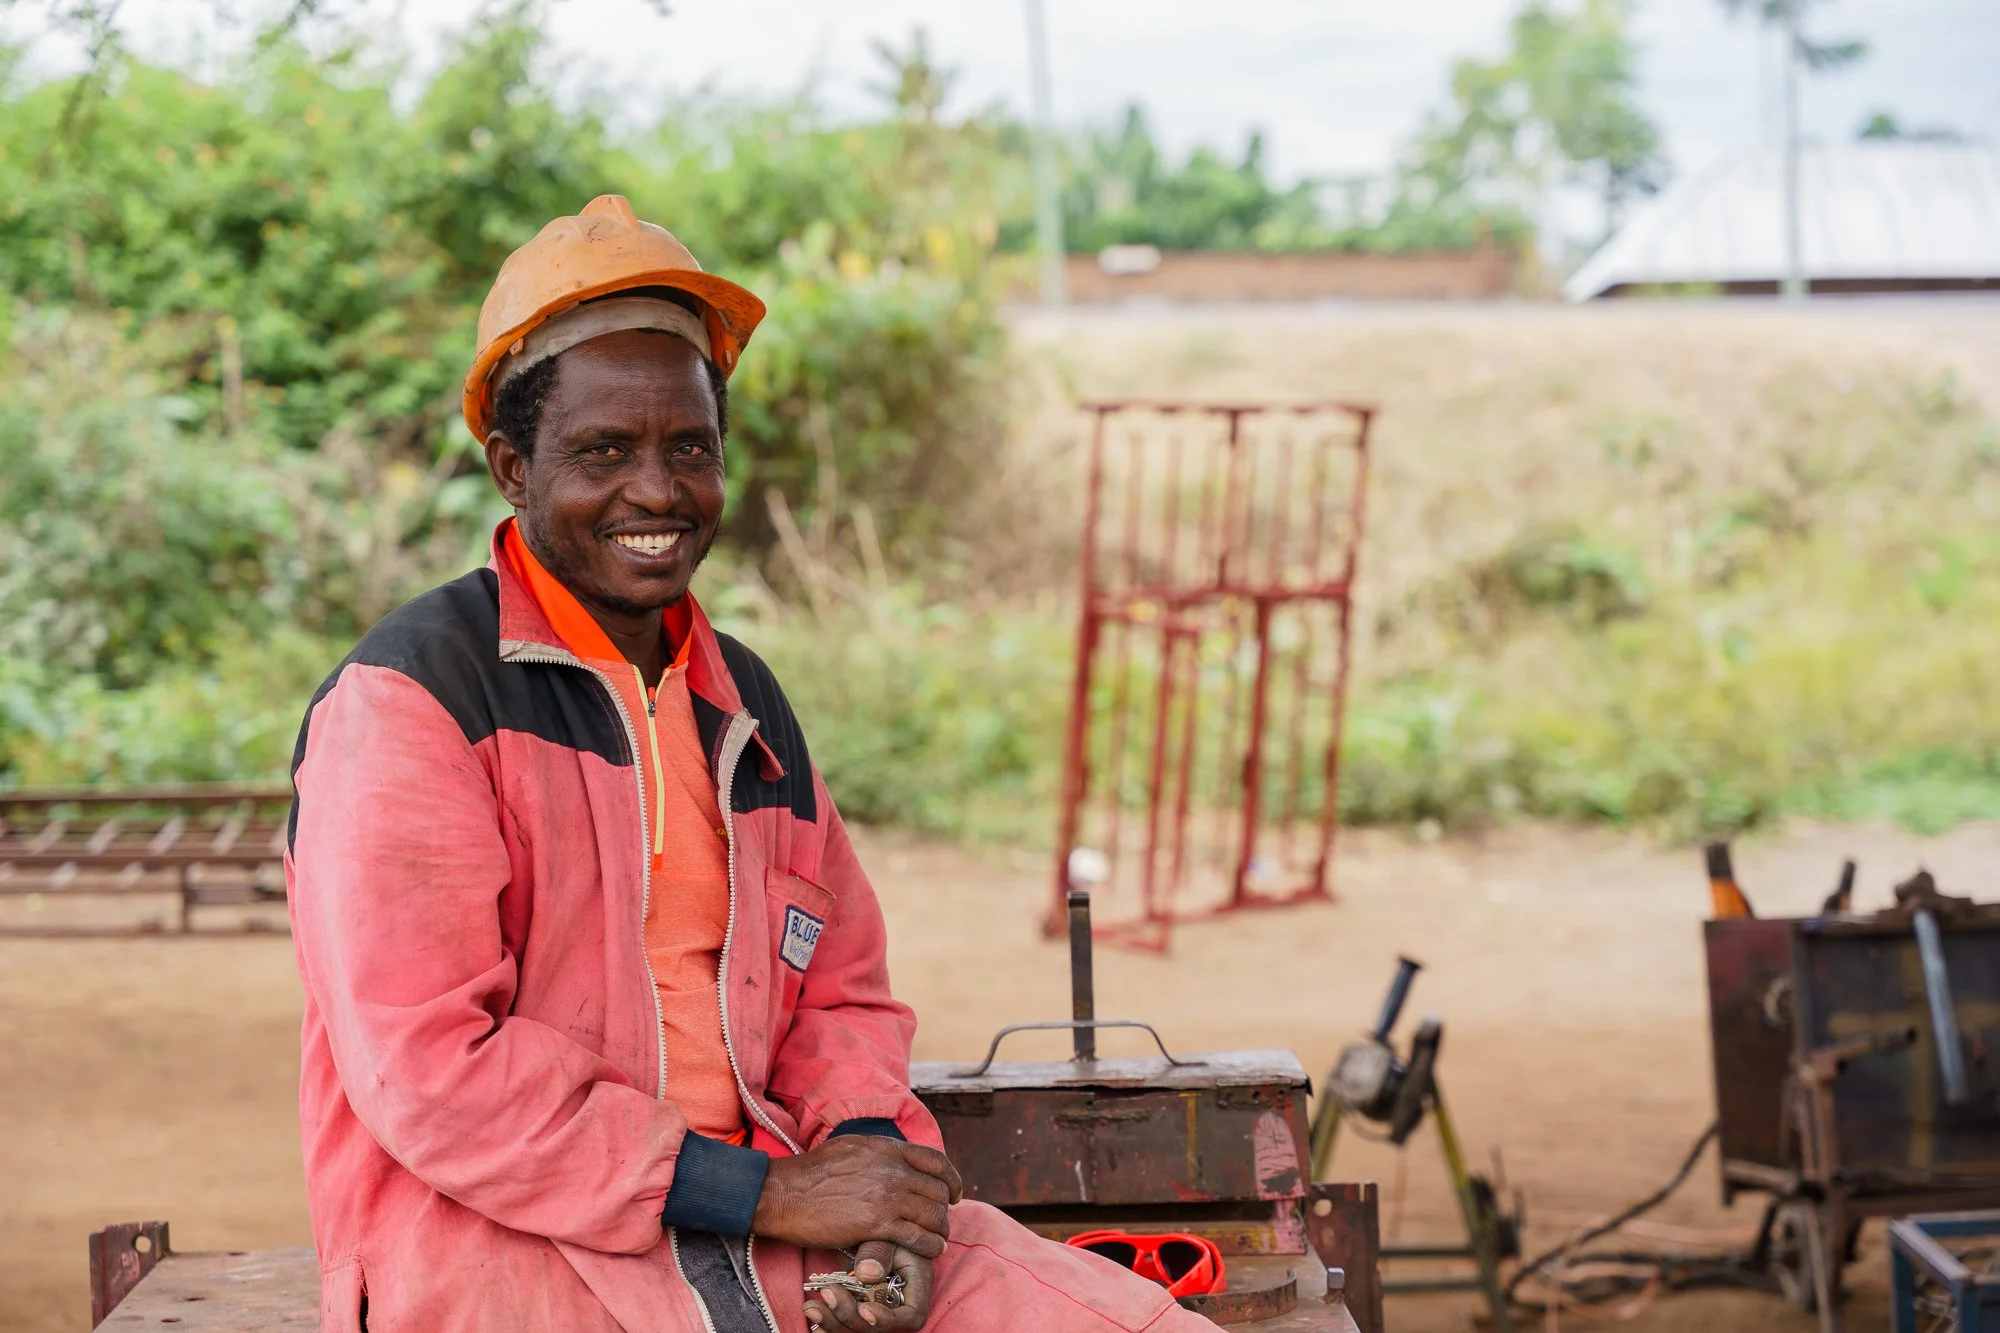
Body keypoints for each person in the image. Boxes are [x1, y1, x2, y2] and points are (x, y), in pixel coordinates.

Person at [286, 195, 1215, 1333]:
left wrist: (872, 1182)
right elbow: (429, 1071)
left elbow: (841, 989)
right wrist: (770, 1191)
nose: (657, 491)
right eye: (602, 451)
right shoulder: (414, 701)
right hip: (504, 1246)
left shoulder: (742, 701)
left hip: (774, 1223)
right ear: (510, 469)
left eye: (689, 446)